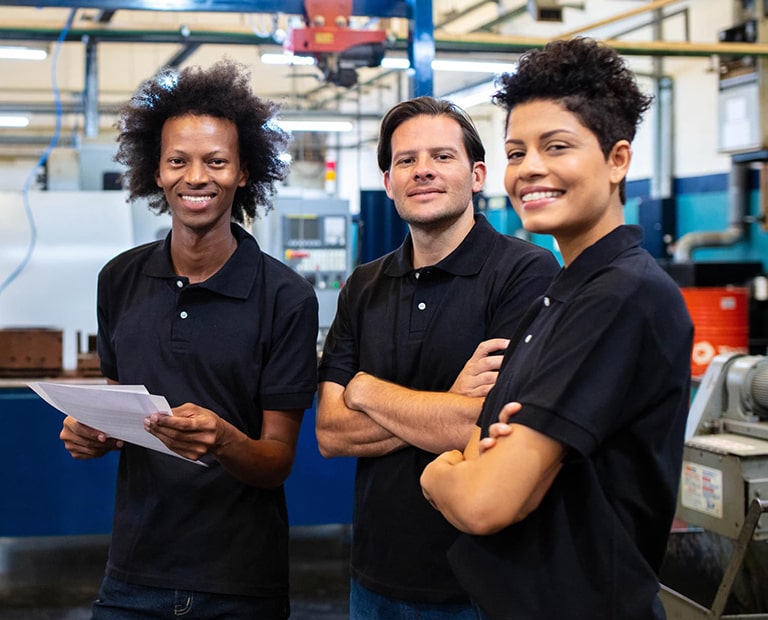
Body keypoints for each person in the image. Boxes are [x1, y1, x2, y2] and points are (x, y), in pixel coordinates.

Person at [420, 37, 694, 619]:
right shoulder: (561, 292)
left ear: (618, 159)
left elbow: (485, 501)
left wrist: (438, 473)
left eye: (557, 146)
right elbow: (481, 440)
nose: (531, 170)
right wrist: (479, 460)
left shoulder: (623, 298)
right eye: (516, 153)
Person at [59, 60, 319, 619]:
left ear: (244, 172)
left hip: (239, 583)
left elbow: (276, 461)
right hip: (132, 573)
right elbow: (121, 408)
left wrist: (224, 438)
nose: (195, 177)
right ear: (156, 171)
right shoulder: (120, 279)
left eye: (216, 161)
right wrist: (94, 432)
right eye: (178, 160)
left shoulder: (286, 296)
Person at [316, 96, 559, 618]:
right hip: (374, 579)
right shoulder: (363, 285)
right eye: (405, 160)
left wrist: (366, 390)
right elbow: (331, 433)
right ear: (388, 183)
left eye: (441, 157)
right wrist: (449, 402)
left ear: (476, 175)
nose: (422, 170)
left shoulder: (526, 274)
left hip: (480, 585)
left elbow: (488, 426)